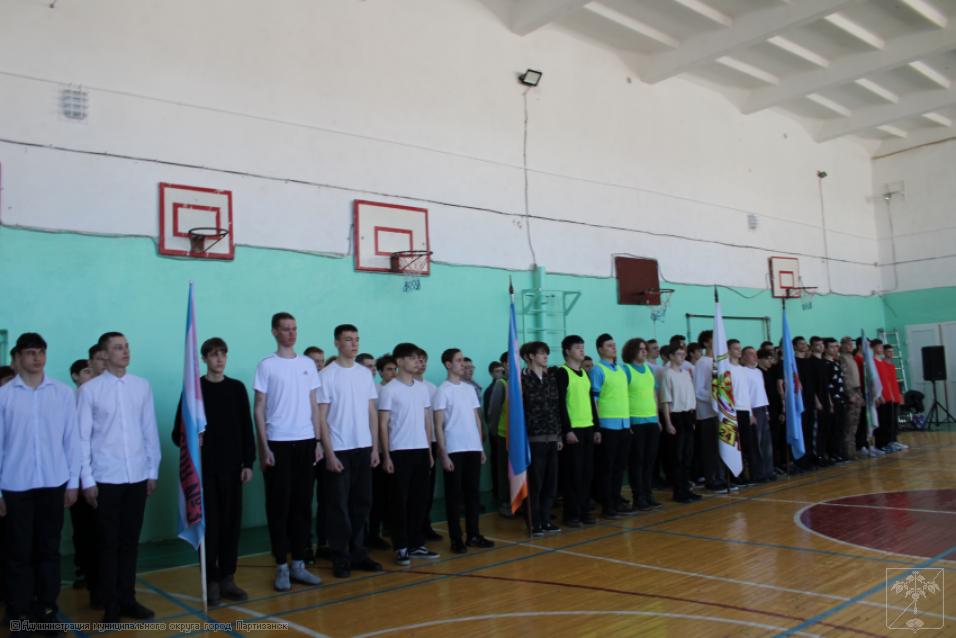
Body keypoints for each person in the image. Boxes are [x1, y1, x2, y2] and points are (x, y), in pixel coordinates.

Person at [0, 333, 80, 633]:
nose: (37, 358)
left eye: (41, 352)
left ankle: (47, 610)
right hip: (15, 486)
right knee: (18, 554)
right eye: (30, 353)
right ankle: (19, 615)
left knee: (48, 551)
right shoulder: (4, 396)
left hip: (53, 484)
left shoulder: (62, 393)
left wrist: (73, 483)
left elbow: (72, 441)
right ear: (18, 357)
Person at [78, 331, 160, 622]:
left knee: (129, 542)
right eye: (117, 348)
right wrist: (87, 480)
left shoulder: (141, 386)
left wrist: (152, 470)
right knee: (107, 544)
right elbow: (82, 438)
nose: (125, 351)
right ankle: (110, 604)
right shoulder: (90, 391)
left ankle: (128, 599)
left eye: (126, 346)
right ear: (104, 353)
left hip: (136, 475)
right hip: (106, 478)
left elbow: (149, 430)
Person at [172, 337, 256, 605]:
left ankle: (228, 577)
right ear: (204, 359)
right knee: (211, 527)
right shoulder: (194, 392)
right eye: (214, 354)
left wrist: (248, 462)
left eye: (223, 354)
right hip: (205, 472)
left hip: (233, 470)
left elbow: (246, 427)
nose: (219, 359)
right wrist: (191, 437)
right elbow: (177, 433)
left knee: (231, 524)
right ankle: (211, 579)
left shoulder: (236, 388)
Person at [253, 312, 323, 591]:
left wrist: (317, 441)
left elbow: (314, 404)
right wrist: (264, 447)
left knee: (303, 506)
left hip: (306, 442)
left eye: (294, 329)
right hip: (278, 443)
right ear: (274, 332)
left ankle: (299, 564)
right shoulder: (266, 365)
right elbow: (259, 408)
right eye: (285, 329)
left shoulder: (307, 364)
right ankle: (281, 565)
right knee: (279, 507)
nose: (291, 333)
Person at [317, 325, 382, 579]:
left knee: (362, 504)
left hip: (363, 448)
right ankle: (340, 557)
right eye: (348, 340)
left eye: (356, 339)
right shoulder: (327, 375)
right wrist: (329, 453)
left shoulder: (364, 374)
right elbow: (321, 418)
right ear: (337, 343)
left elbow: (372, 412)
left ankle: (359, 554)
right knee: (338, 507)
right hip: (339, 449)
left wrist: (375, 447)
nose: (354, 344)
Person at [379, 343, 438, 565]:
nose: (417, 362)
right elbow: (383, 425)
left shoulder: (421, 389)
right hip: (399, 451)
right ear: (400, 361)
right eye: (412, 358)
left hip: (421, 450)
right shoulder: (389, 389)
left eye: (418, 358)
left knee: (419, 500)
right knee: (399, 501)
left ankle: (416, 543)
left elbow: (427, 421)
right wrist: (386, 455)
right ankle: (401, 546)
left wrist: (429, 451)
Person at [434, 348, 493, 553]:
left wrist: (480, 447)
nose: (463, 364)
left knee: (473, 494)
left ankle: (473, 535)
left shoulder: (469, 389)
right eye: (458, 360)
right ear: (448, 364)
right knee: (453, 496)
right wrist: (443, 453)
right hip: (454, 449)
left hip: (472, 448)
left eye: (463, 360)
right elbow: (438, 425)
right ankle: (456, 538)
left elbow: (476, 419)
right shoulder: (442, 390)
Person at [555, 335, 599, 527]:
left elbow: (590, 402)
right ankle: (572, 514)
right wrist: (567, 430)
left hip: (588, 428)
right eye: (577, 347)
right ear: (567, 351)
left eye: (583, 347)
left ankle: (584, 510)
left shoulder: (584, 373)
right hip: (573, 431)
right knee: (573, 473)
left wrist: (596, 427)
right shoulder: (562, 373)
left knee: (587, 472)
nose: (582, 350)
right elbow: (560, 404)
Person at [520, 342, 563, 535]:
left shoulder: (550, 379)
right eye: (541, 353)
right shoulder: (521, 380)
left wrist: (558, 435)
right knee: (535, 483)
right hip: (533, 438)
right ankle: (534, 521)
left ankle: (546, 519)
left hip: (552, 437)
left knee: (550, 483)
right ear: (530, 356)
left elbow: (556, 408)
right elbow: (519, 411)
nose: (546, 356)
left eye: (547, 353)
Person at [590, 333, 632, 519]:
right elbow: (594, 400)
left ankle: (616, 500)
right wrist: (597, 426)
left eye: (614, 345)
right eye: (609, 345)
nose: (613, 348)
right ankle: (607, 506)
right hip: (607, 426)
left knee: (619, 467)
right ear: (600, 349)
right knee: (606, 468)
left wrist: (628, 423)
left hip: (624, 424)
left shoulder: (621, 370)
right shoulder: (597, 370)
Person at [68, 359, 98, 601]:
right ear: (75, 376)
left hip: (97, 474)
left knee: (97, 528)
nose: (91, 374)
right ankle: (83, 568)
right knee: (81, 528)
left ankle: (96, 574)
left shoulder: (99, 396)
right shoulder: (68, 400)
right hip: (76, 476)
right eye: (86, 371)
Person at [621, 338, 661, 511]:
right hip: (635, 421)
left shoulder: (649, 370)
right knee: (637, 461)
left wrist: (657, 419)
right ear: (632, 351)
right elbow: (622, 397)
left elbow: (654, 395)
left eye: (645, 349)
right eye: (641, 349)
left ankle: (648, 494)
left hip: (651, 421)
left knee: (649, 461)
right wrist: (627, 422)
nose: (645, 351)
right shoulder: (626, 370)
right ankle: (638, 497)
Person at [658, 344, 700, 503]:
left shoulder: (686, 374)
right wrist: (668, 423)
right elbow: (665, 401)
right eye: (678, 354)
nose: (682, 357)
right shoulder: (667, 374)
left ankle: (687, 488)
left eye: (683, 354)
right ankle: (679, 491)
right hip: (676, 416)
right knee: (678, 456)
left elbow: (691, 397)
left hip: (688, 416)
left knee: (688, 455)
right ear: (671, 356)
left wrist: (693, 419)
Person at [367, 355, 397, 550]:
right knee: (377, 495)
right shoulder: (376, 391)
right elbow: (376, 424)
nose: (393, 373)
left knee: (392, 494)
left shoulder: (400, 389)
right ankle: (372, 533)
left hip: (397, 449)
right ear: (380, 372)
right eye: (388, 369)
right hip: (378, 450)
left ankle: (390, 527)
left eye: (395, 369)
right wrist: (378, 450)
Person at [414, 349, 442, 542]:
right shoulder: (400, 386)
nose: (421, 364)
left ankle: (426, 525)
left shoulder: (432, 388)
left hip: (429, 442)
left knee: (428, 488)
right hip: (411, 443)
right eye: (418, 360)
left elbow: (436, 419)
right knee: (413, 491)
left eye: (424, 360)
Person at [694, 331, 725, 490]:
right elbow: (698, 390)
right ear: (706, 343)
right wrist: (714, 399)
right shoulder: (702, 363)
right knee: (710, 448)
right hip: (708, 413)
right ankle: (712, 479)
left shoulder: (720, 361)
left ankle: (721, 476)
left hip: (722, 412)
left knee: (722, 447)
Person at [742, 347, 774, 482]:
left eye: (755, 354)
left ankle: (768, 471)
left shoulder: (758, 372)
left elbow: (762, 392)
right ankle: (758, 474)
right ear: (743, 357)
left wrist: (766, 411)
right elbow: (745, 395)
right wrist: (750, 413)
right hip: (753, 410)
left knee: (766, 443)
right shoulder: (742, 372)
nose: (754, 356)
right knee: (756, 443)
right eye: (750, 354)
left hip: (762, 408)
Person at [727, 340, 754, 483]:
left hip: (744, 410)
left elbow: (746, 393)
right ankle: (734, 475)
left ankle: (743, 473)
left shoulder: (742, 369)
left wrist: (750, 413)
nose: (739, 351)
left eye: (739, 348)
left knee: (745, 443)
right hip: (733, 411)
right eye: (735, 348)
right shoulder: (726, 369)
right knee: (734, 445)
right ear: (728, 350)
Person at [820, 338, 848, 463]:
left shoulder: (836, 363)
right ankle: (831, 454)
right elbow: (825, 386)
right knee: (832, 428)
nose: (835, 349)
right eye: (832, 347)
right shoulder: (824, 364)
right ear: (825, 349)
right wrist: (830, 402)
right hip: (832, 401)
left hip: (840, 399)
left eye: (836, 346)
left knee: (840, 427)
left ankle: (838, 452)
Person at [876, 344, 905, 452]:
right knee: (887, 422)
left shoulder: (892, 365)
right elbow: (885, 382)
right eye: (889, 351)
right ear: (884, 352)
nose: (891, 353)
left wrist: (898, 395)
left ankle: (894, 440)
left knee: (894, 421)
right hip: (888, 396)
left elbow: (894, 382)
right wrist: (889, 394)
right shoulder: (882, 364)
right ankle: (887, 442)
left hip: (895, 396)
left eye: (892, 351)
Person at [839, 336, 864, 460]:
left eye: (851, 344)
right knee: (849, 425)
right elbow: (845, 378)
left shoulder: (851, 357)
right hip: (850, 392)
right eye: (848, 344)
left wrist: (860, 395)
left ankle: (853, 450)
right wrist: (849, 394)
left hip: (857, 390)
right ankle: (847, 452)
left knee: (855, 424)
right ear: (842, 345)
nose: (850, 346)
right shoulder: (842, 358)